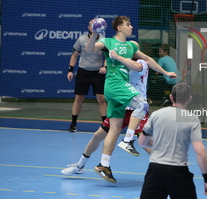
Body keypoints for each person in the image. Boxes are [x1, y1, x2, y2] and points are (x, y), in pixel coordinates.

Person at [86, 16, 177, 183]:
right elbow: (90, 49)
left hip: (118, 87)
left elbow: (148, 60)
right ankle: (128, 140)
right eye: (128, 25)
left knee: (114, 128)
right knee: (142, 104)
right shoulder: (108, 42)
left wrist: (165, 73)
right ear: (120, 28)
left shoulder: (131, 45)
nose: (131, 27)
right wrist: (93, 34)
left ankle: (104, 165)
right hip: (115, 84)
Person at [61, 58, 151, 181]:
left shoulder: (142, 63)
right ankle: (79, 166)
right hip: (121, 107)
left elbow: (135, 66)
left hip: (137, 109)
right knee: (97, 136)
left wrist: (118, 57)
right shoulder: (120, 65)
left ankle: (168, 166)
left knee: (144, 141)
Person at [138, 82, 207, 199]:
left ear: (171, 97)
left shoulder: (156, 115)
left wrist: (160, 143)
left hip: (155, 171)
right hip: (178, 172)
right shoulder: (191, 119)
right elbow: (200, 151)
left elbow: (142, 142)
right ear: (189, 99)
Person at [67, 19, 107, 132]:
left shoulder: (104, 41)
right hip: (83, 72)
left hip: (98, 73)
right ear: (89, 27)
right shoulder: (81, 39)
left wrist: (105, 67)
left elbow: (107, 57)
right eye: (91, 25)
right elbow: (74, 56)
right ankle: (73, 124)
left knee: (101, 99)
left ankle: (105, 125)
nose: (93, 26)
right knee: (79, 98)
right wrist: (70, 70)